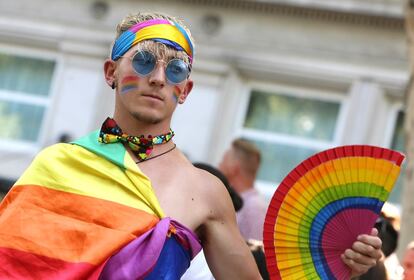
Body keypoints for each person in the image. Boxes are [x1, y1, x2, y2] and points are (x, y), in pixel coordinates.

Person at [0, 12, 383, 279]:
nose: (158, 79)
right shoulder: (57, 162)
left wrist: (342, 265)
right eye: (145, 62)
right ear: (111, 72)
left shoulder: (206, 191)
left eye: (176, 70)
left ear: (185, 90)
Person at [218, 138, 268, 241]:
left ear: (233, 168)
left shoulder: (254, 208)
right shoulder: (233, 201)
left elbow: (257, 253)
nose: (219, 165)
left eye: (223, 160)